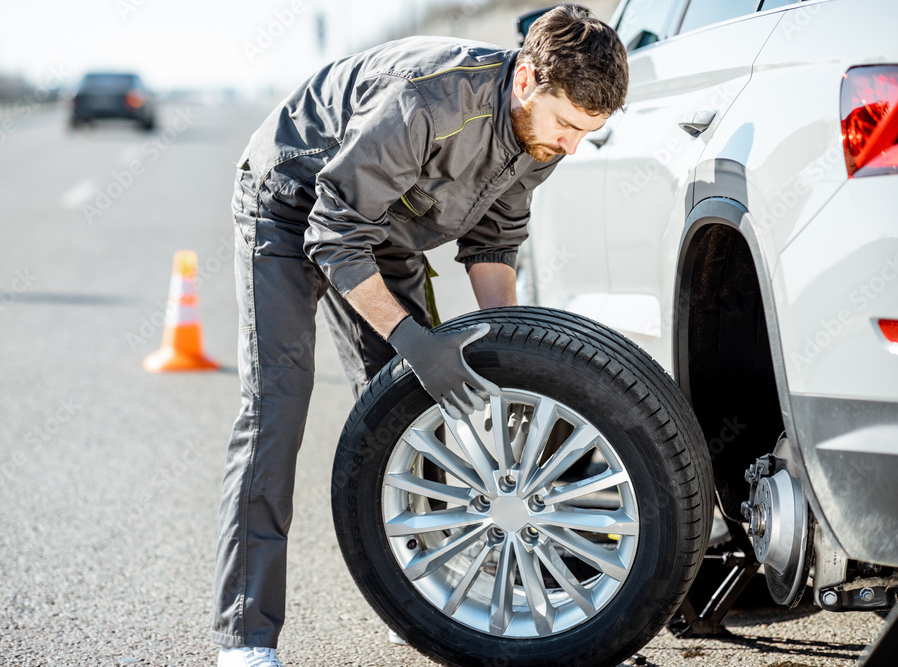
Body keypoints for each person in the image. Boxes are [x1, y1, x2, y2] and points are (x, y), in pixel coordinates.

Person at [212, 5, 629, 666]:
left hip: (388, 230)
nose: (571, 144)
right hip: (291, 206)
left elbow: (493, 243)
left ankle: (419, 603)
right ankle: (247, 637)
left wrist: (515, 362)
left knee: (414, 413)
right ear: (526, 81)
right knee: (276, 413)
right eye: (567, 124)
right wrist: (414, 341)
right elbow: (332, 230)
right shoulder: (429, 102)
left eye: (588, 131)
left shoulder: (543, 136)